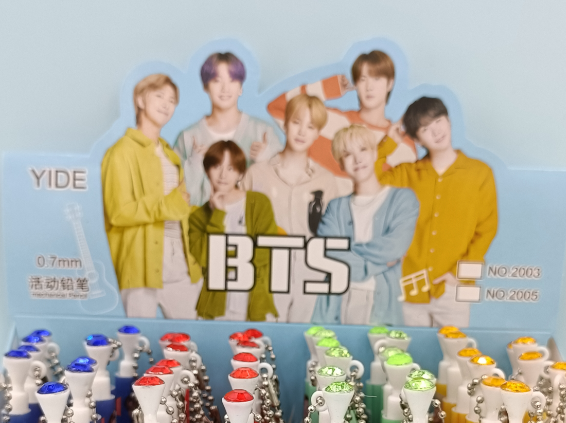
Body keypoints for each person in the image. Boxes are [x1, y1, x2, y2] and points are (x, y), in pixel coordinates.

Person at [377, 96, 498, 328]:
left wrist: (459, 275)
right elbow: (368, 181)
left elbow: (486, 230)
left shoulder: (480, 173)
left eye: (438, 121)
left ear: (449, 121)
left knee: (455, 350)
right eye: (425, 128)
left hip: (454, 288)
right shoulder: (406, 174)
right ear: (416, 139)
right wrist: (388, 144)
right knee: (408, 350)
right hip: (412, 290)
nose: (436, 131)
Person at [101, 73, 202, 320]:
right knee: (136, 340)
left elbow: (180, 208)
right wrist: (169, 205)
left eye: (172, 100)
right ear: (140, 100)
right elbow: (118, 212)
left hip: (182, 268)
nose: (166, 104)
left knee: (190, 339)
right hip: (140, 269)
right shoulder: (120, 152)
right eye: (159, 96)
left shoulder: (171, 155)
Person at [243, 94, 342, 322]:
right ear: (285, 124)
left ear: (317, 133)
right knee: (262, 334)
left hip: (309, 273)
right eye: (297, 122)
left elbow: (332, 232)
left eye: (310, 127)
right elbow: (236, 223)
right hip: (266, 272)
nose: (302, 132)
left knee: (301, 335)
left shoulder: (326, 181)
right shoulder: (257, 173)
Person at [313, 126, 418, 326]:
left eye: (363, 149)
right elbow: (328, 253)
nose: (357, 159)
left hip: (382, 300)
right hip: (337, 301)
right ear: (340, 164)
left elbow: (394, 249)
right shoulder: (335, 208)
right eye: (347, 154)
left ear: (375, 153)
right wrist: (377, 263)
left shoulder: (402, 199)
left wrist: (349, 250)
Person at [266, 49, 415, 182]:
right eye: (363, 79)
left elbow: (403, 195)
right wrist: (328, 87)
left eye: (376, 79)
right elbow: (277, 106)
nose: (369, 87)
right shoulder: (328, 120)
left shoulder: (402, 143)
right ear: (356, 84)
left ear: (390, 83)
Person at [175, 51, 281, 206]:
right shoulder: (188, 137)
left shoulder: (262, 132)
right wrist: (194, 167)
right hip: (201, 220)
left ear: (241, 87)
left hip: (251, 220)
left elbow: (283, 191)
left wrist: (266, 163)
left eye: (232, 80)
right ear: (205, 87)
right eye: (217, 81)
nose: (225, 88)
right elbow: (176, 197)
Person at [188, 141, 279, 322]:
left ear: (240, 173)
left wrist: (223, 260)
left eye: (230, 168)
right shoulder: (198, 217)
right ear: (207, 170)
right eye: (217, 166)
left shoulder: (259, 203)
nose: (223, 175)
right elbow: (205, 259)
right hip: (214, 309)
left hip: (255, 305)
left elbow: (266, 253)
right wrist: (218, 215)